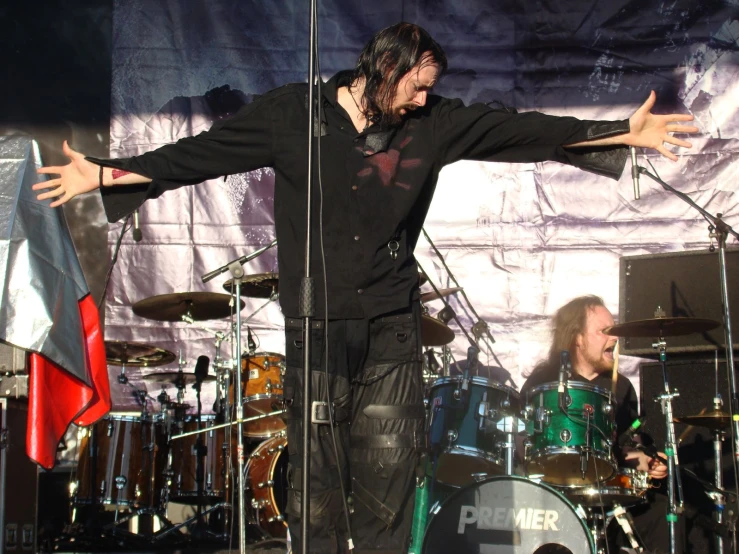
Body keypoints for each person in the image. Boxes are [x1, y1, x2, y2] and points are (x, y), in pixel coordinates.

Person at [34, 22, 697, 554]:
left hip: (389, 324)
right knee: (317, 479)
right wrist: (105, 175)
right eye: (413, 86)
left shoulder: (431, 124)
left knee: (388, 471)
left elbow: (520, 131)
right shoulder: (294, 113)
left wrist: (619, 133)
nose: (420, 99)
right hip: (317, 322)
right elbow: (199, 154)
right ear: (384, 70)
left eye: (426, 90)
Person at [521, 295, 679, 553]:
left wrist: (646, 462)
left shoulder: (622, 387)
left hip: (606, 495)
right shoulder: (543, 382)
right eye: (604, 331)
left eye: (614, 331)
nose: (614, 337)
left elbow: (621, 450)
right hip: (552, 496)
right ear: (578, 338)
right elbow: (523, 443)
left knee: (663, 513)